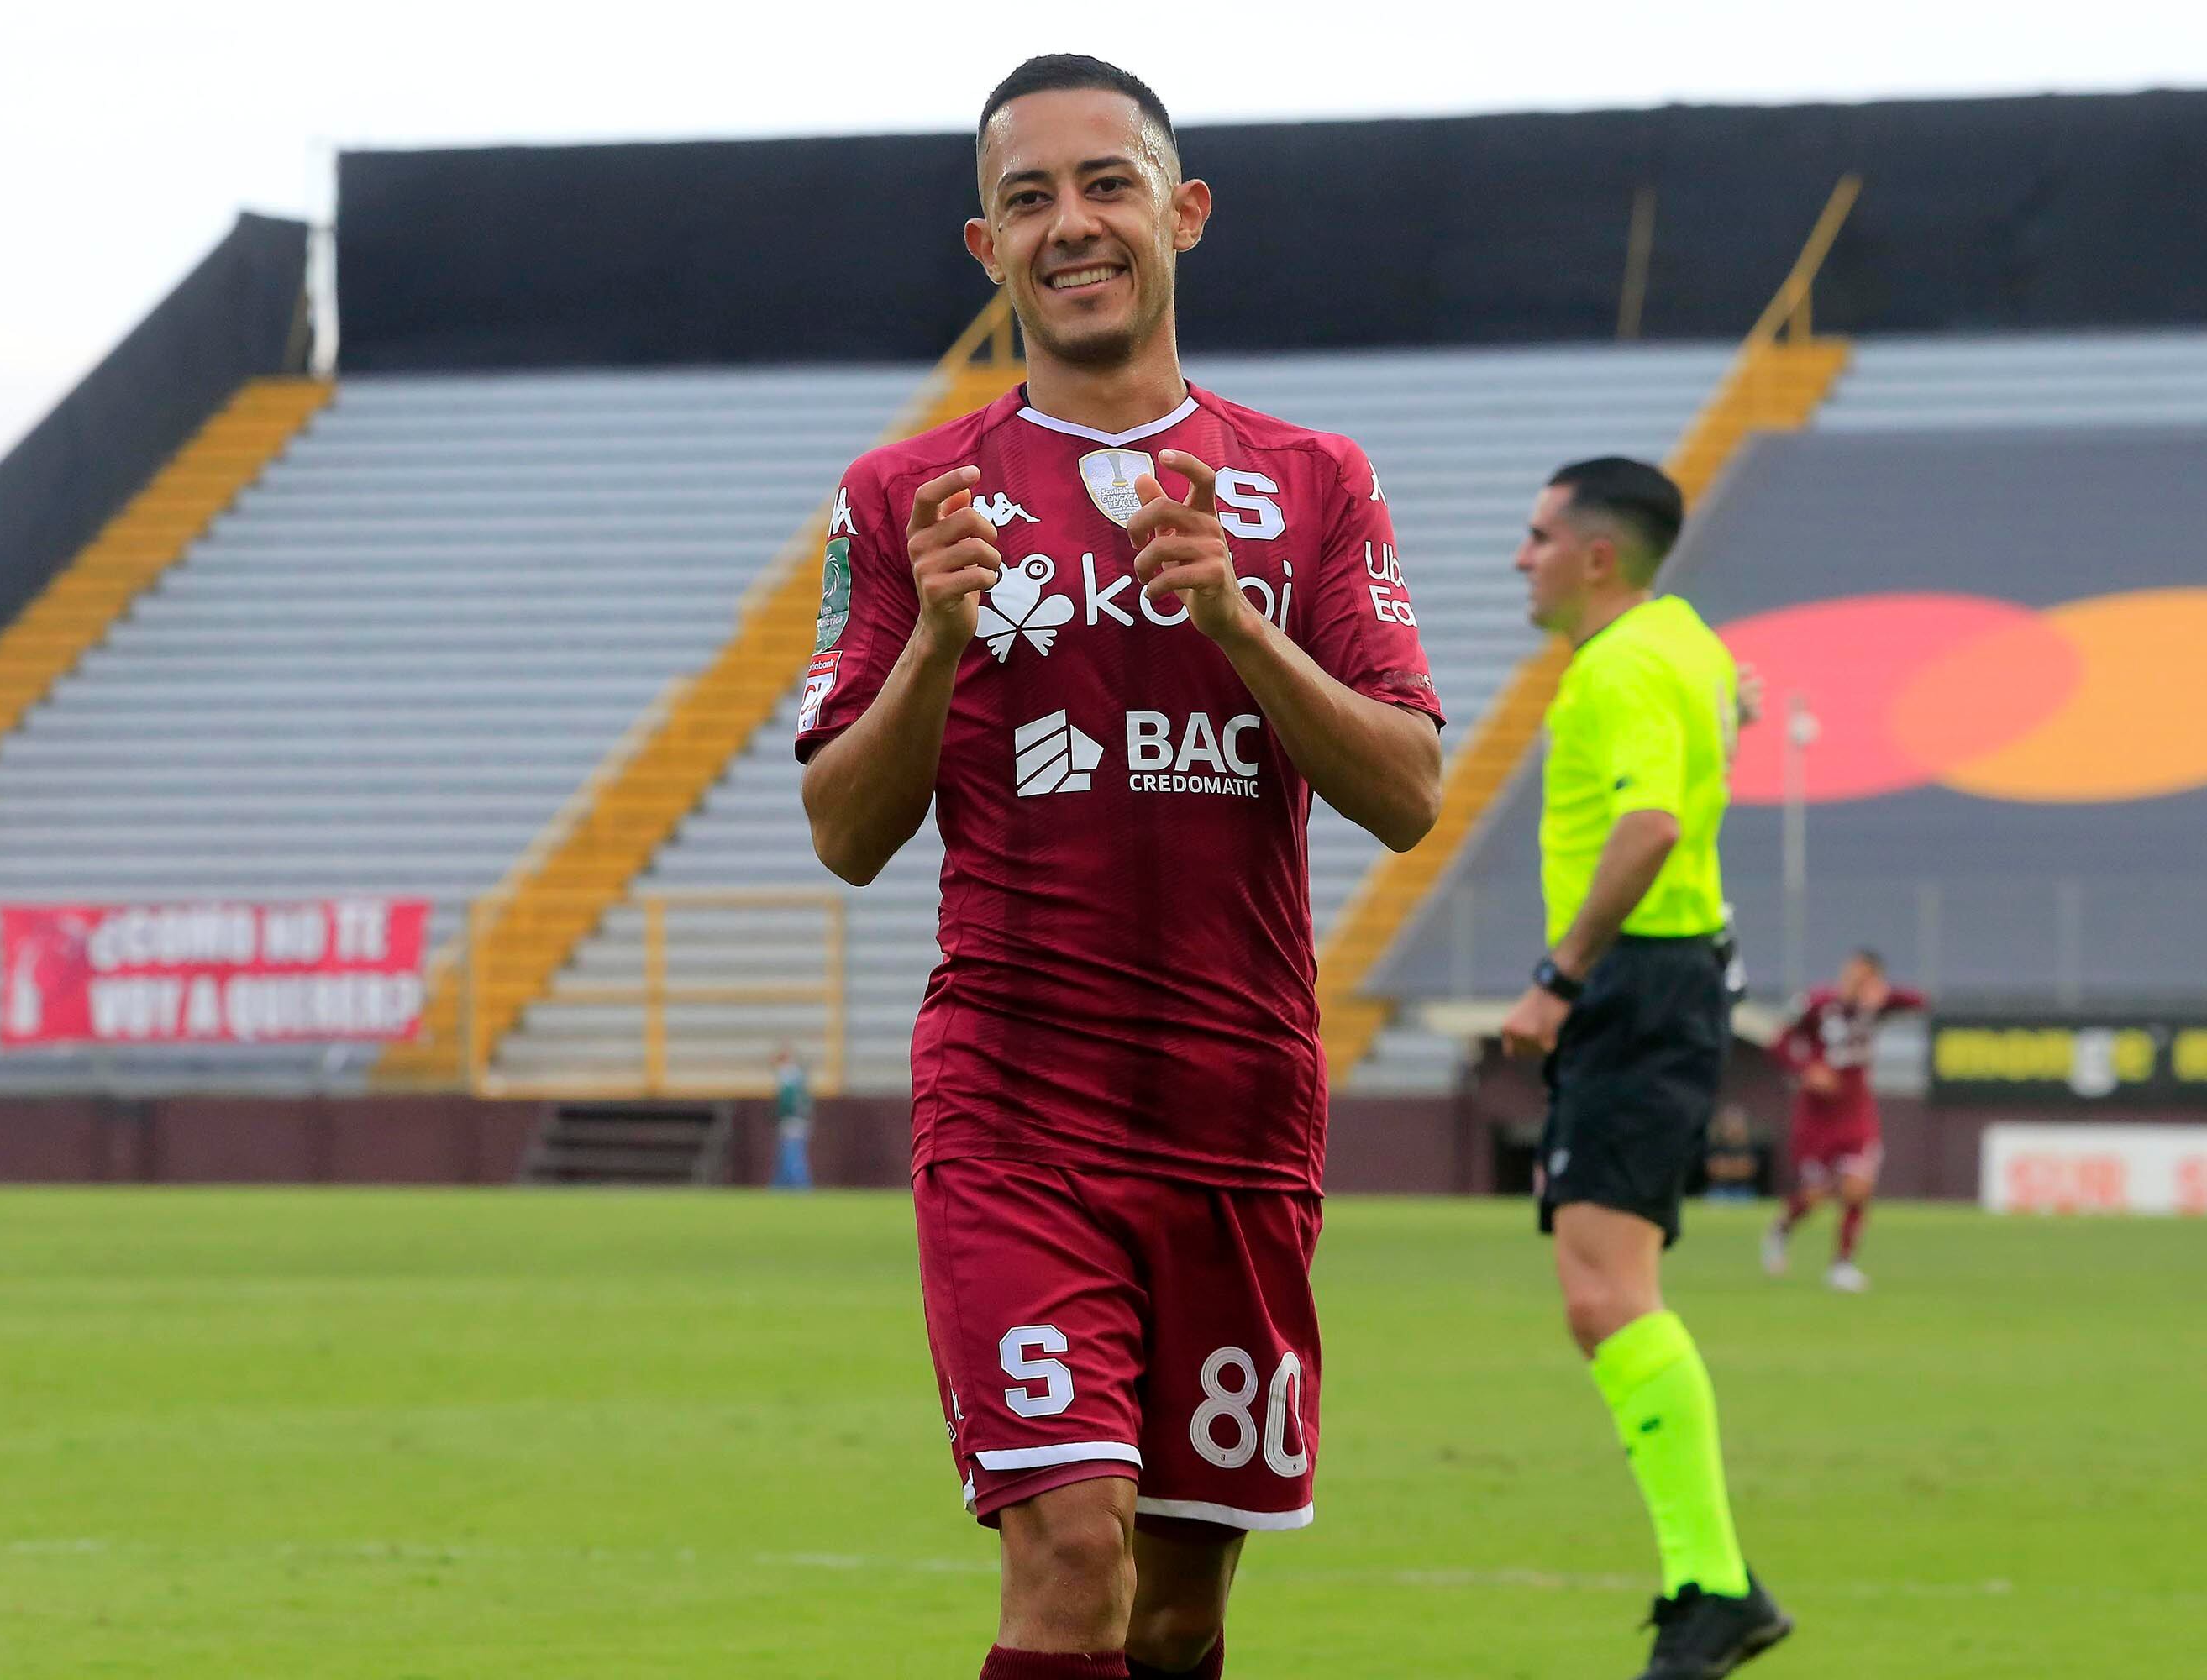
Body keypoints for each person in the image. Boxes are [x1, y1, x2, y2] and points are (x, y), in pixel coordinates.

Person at [798, 55, 1443, 1680]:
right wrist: (936, 639)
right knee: (1074, 1557)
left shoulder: (1311, 483)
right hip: (1014, 1108)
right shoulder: (907, 499)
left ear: (1185, 212)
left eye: (1107, 185)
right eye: (1028, 200)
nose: (1070, 225)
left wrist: (1238, 623)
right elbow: (846, 835)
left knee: (1176, 1611)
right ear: (986, 247)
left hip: (1241, 1113)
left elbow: (1408, 793)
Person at [1498, 459, 1792, 1677]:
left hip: (1638, 985)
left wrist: (1558, 976)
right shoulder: (1685, 642)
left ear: (1597, 556)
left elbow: (1652, 823)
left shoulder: (1623, 665)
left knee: (1606, 1293)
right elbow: (1720, 719)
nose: (1521, 558)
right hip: (1669, 980)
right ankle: (1708, 1582)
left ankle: (1712, 1585)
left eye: (1537, 536)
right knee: (1603, 1290)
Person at [1763, 948, 1926, 1291]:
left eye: (1864, 977)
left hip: (1856, 1112)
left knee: (1857, 1188)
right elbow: (1778, 1040)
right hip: (1817, 1114)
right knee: (1815, 1195)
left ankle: (1842, 1265)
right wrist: (1806, 1069)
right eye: (1852, 974)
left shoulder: (1876, 1005)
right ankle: (1781, 1229)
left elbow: (1920, 1001)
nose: (1855, 982)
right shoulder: (1817, 1003)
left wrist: (1885, 994)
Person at [770, 1043, 814, 1190]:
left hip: (792, 1120)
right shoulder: (798, 1076)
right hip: (799, 1120)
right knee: (786, 1155)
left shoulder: (788, 1076)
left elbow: (787, 1102)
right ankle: (778, 1187)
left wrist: (779, 1113)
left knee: (792, 1155)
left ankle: (802, 1186)